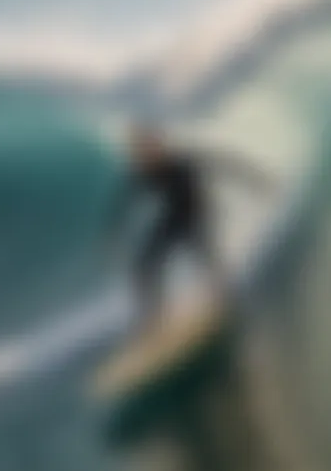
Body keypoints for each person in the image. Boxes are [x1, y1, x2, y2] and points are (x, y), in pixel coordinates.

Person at [108, 124, 275, 331]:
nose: (143, 154)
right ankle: (155, 317)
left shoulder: (181, 160)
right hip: (175, 217)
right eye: (139, 150)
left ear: (158, 145)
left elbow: (225, 163)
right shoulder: (145, 172)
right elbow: (123, 204)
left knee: (207, 258)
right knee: (145, 264)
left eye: (147, 147)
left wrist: (257, 179)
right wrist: (112, 232)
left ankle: (226, 299)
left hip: (198, 213)